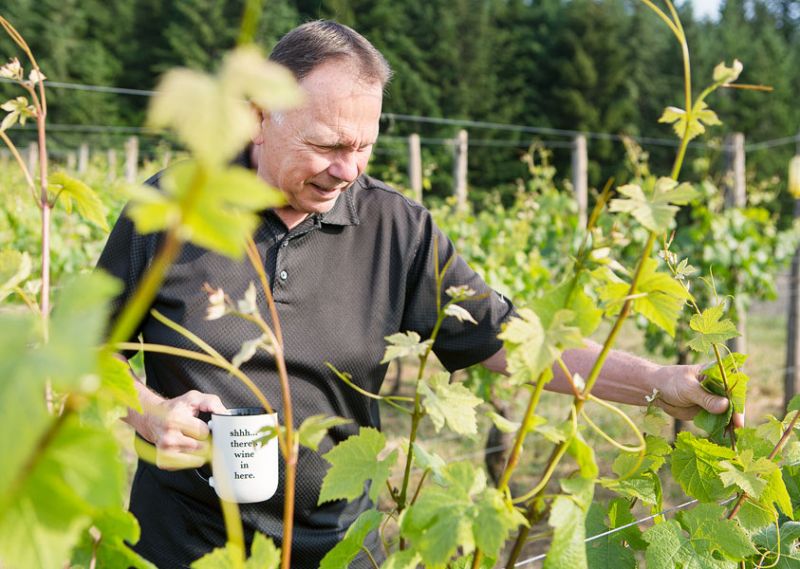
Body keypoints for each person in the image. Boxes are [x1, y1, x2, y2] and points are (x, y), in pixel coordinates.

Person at [97, 20, 734, 568]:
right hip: (184, 546)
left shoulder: (397, 229)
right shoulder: (173, 206)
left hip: (345, 549)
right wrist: (147, 411)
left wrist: (660, 380)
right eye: (326, 145)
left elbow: (509, 342)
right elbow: (88, 352)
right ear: (261, 119)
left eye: (363, 147)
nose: (347, 170)